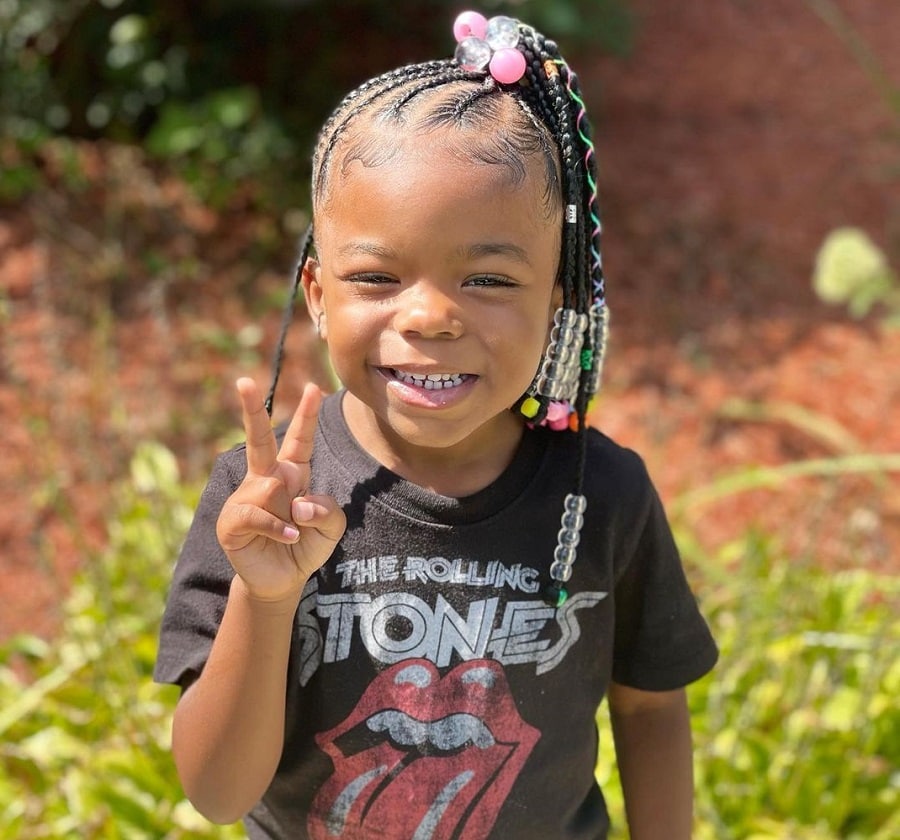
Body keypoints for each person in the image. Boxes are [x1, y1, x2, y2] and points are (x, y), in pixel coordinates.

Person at [154, 10, 718, 839]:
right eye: (377, 275)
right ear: (317, 294)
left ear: (556, 302)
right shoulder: (261, 503)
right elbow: (217, 793)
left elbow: (649, 710)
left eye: (488, 279)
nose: (430, 317)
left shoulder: (600, 494)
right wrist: (266, 596)